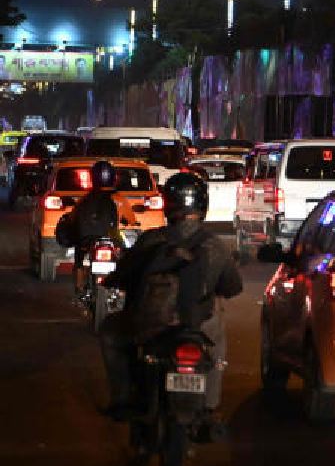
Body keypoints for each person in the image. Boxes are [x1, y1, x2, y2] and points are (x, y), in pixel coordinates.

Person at [99, 172, 243, 422]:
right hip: (198, 324)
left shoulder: (151, 240)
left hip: (151, 324)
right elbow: (232, 287)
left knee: (110, 332)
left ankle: (122, 398)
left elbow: (122, 274)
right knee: (216, 339)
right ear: (202, 205)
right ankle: (210, 403)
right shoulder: (216, 245)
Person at [61, 160, 136, 296]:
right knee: (127, 255)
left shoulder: (85, 199)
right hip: (112, 237)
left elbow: (73, 218)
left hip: (87, 240)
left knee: (79, 258)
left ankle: (79, 289)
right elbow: (131, 220)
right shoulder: (118, 198)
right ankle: (124, 287)